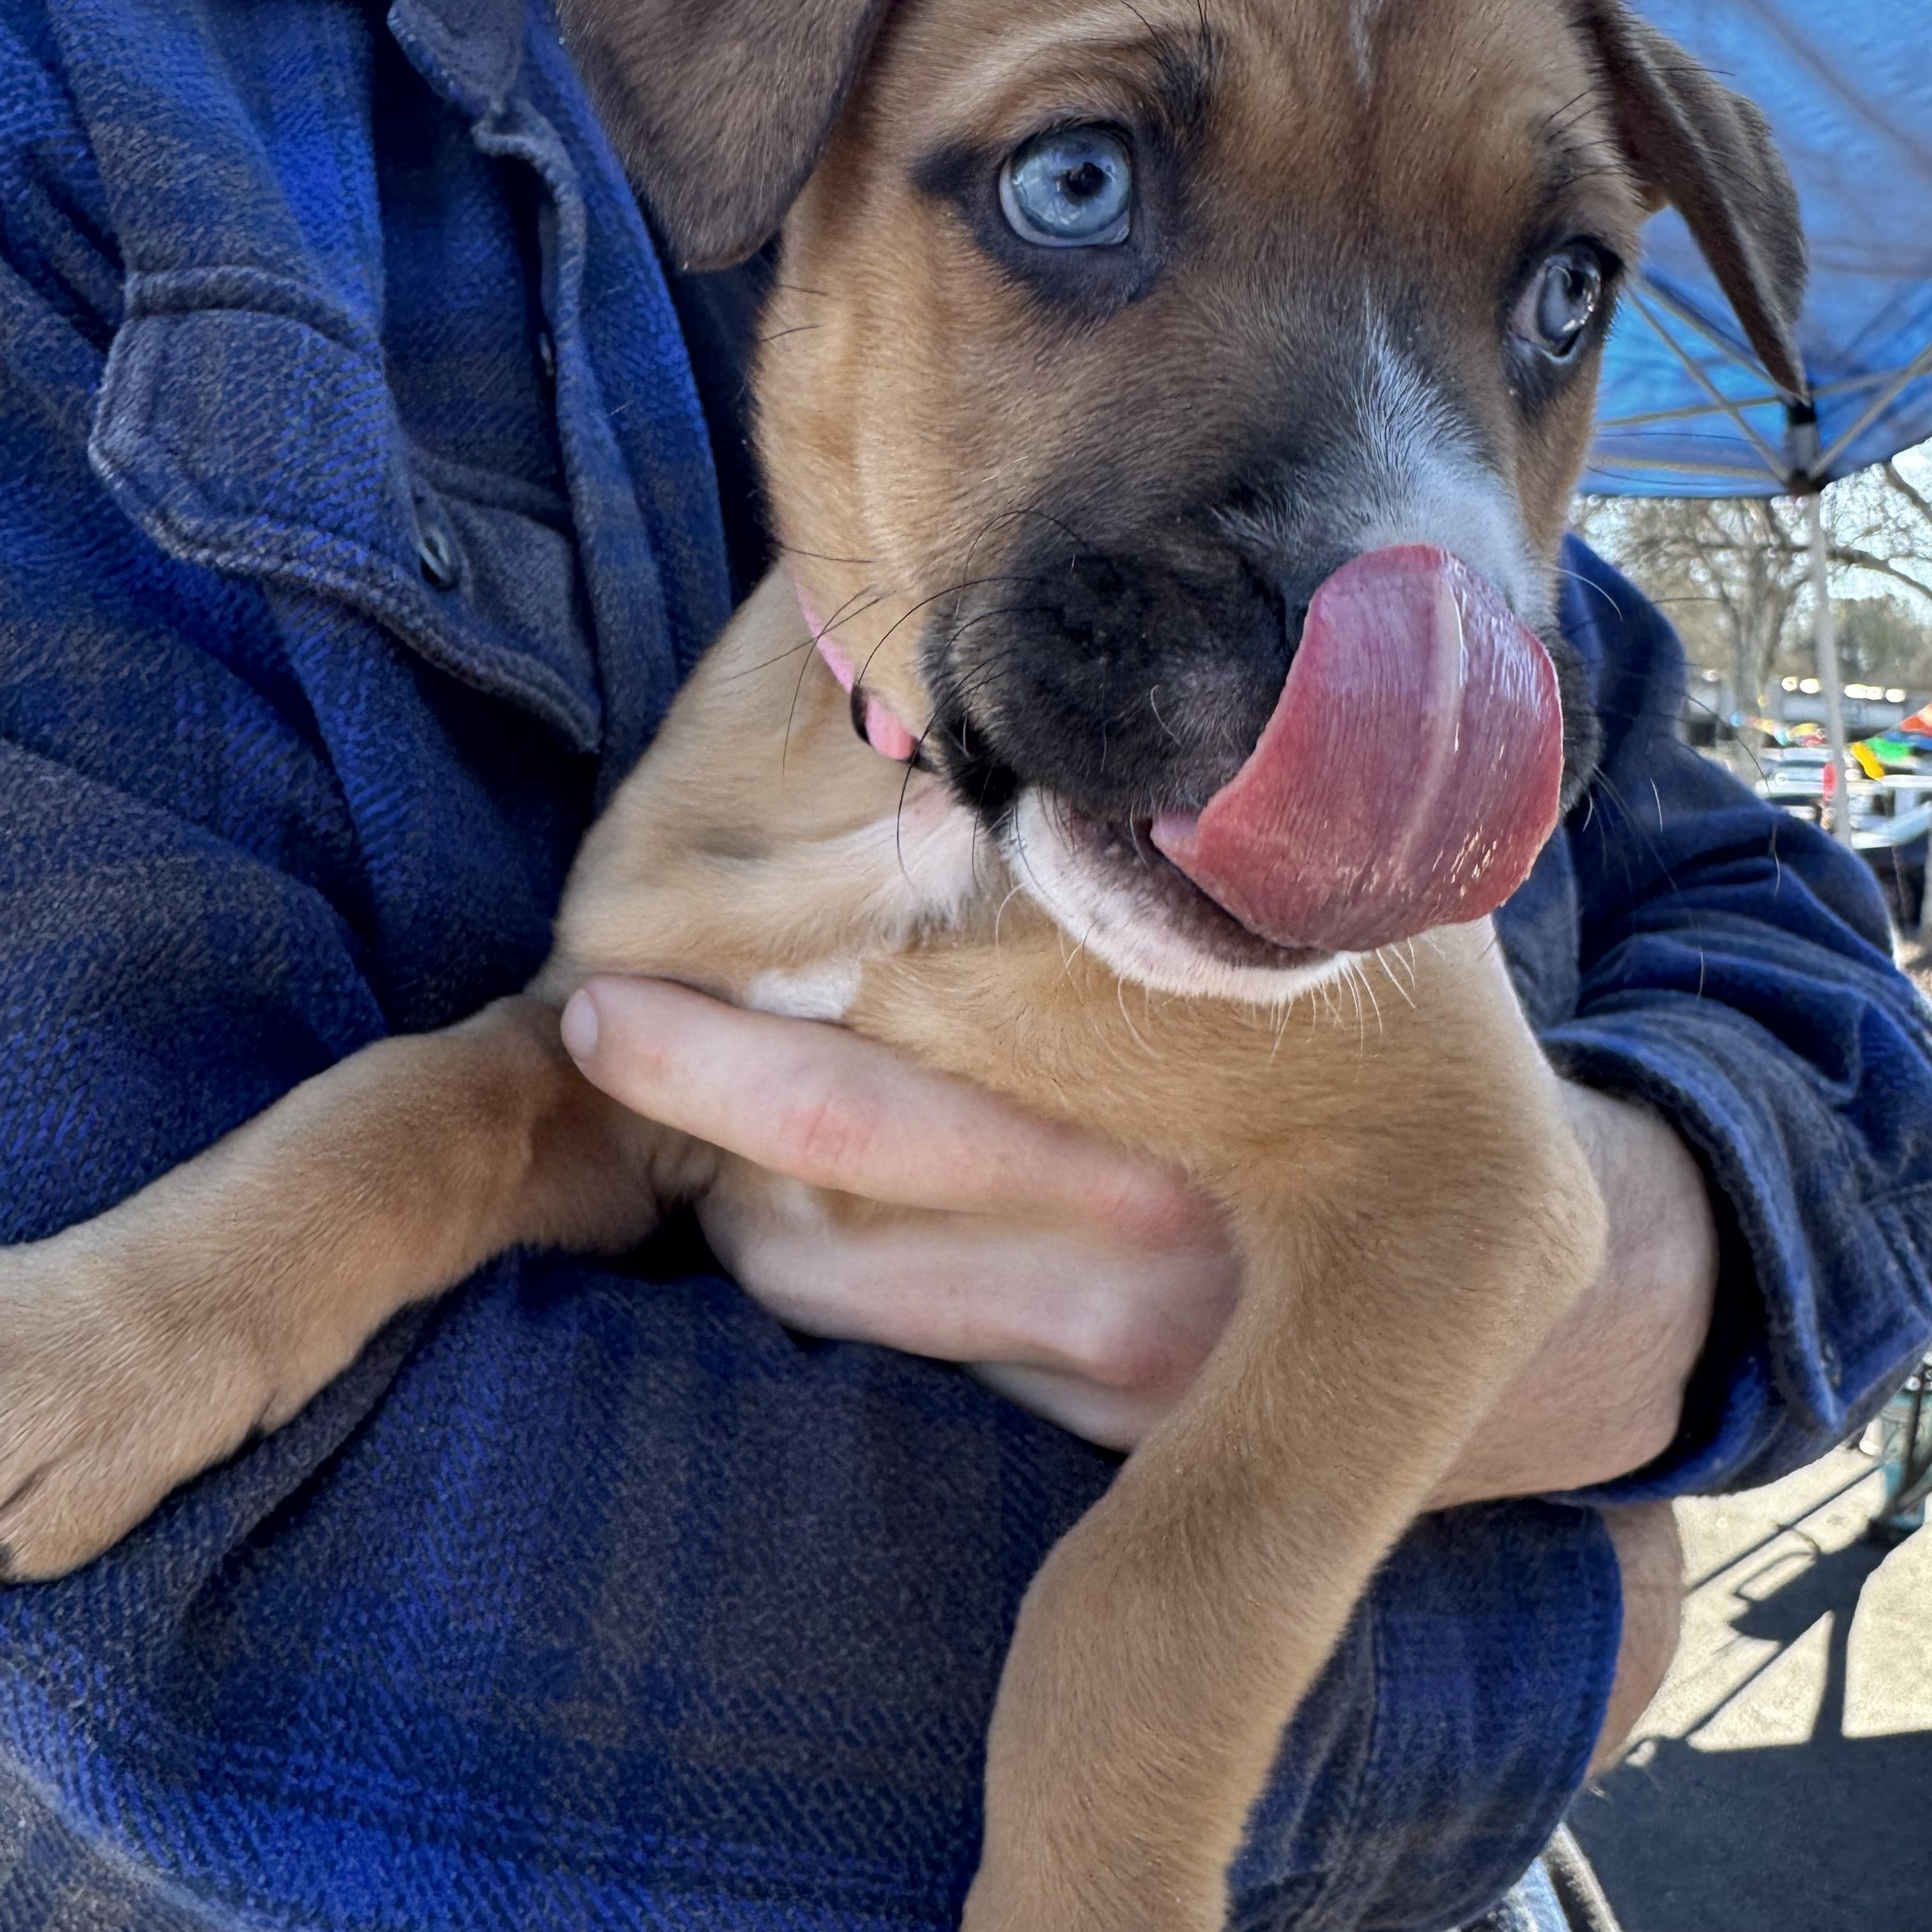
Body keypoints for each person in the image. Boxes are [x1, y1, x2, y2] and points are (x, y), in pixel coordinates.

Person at [1, 1, 1928, 1926]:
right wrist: (1582, 1610)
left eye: (1556, 294)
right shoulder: (114, 115)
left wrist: (1667, 1251)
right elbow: (581, 1095)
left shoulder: (1501, 653)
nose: (1401, 530)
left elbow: (1784, 1033)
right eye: (1077, 183)